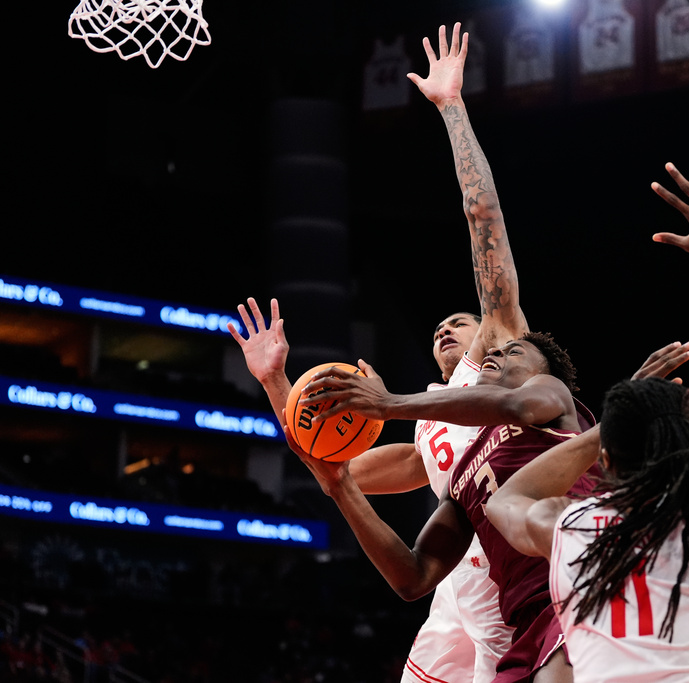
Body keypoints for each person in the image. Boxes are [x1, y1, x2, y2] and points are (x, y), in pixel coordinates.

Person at [228, 22, 536, 683]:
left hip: (523, 585)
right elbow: (332, 463)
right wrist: (279, 383)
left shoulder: (507, 369)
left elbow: (485, 225)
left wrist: (452, 109)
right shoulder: (424, 425)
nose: (447, 329)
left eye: (463, 320)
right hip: (458, 594)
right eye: (438, 329)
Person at [485, 154, 689, 682]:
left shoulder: (566, 527)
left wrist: (597, 433)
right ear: (685, 442)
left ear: (608, 457)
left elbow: (505, 501)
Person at [292, 332, 689, 683]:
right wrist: (341, 487)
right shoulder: (463, 475)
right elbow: (413, 577)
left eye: (514, 352)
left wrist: (389, 405)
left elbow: (515, 407)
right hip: (526, 623)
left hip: (586, 583)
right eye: (496, 351)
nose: (497, 354)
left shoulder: (550, 394)